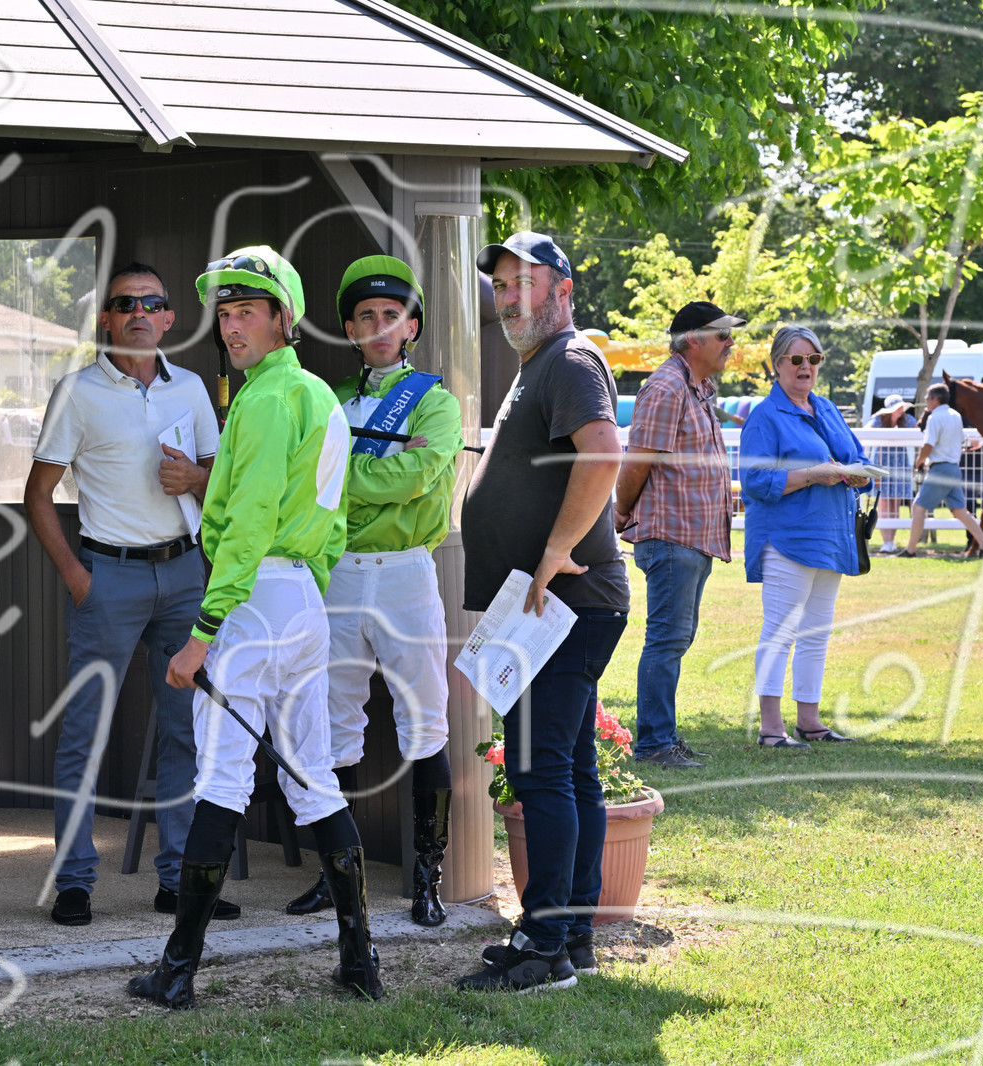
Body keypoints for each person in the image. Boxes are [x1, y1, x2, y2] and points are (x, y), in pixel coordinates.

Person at [129, 247, 380, 1010]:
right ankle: (359, 961)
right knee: (314, 778)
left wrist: (204, 632)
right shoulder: (318, 396)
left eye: (247, 312)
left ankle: (178, 972)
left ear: (282, 320)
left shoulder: (268, 399)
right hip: (302, 600)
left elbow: (248, 524)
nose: (232, 326)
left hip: (254, 597)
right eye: (226, 313)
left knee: (221, 780)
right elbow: (333, 519)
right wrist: (302, 592)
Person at [25, 262, 233, 927]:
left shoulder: (191, 387)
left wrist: (194, 478)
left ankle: (178, 880)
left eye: (151, 303)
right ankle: (74, 882)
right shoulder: (78, 391)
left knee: (184, 730)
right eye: (125, 304)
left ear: (169, 317)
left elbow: (221, 482)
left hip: (183, 574)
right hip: (107, 576)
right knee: (84, 734)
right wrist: (76, 575)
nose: (139, 313)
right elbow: (38, 494)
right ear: (106, 320)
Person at [456, 232, 629, 993]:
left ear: (562, 289)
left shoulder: (571, 359)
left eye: (523, 282)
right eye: (499, 286)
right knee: (571, 769)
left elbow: (602, 453)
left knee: (541, 769)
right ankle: (573, 935)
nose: (508, 298)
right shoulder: (539, 366)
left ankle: (543, 945)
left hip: (564, 603)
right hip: (549, 607)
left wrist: (556, 549)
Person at [280, 256, 463, 927]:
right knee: (332, 726)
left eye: (392, 315)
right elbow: (313, 484)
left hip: (408, 573)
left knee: (425, 722)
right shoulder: (328, 400)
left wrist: (342, 475)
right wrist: (382, 470)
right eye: (366, 317)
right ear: (350, 329)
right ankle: (338, 877)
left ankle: (428, 879)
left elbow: (414, 478)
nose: (379, 326)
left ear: (411, 326)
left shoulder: (437, 401)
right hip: (339, 574)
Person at [612, 301, 737, 770]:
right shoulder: (666, 386)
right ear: (693, 340)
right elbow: (637, 462)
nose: (731, 343)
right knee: (666, 640)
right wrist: (621, 511)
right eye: (722, 334)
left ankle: (663, 736)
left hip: (690, 539)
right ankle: (654, 744)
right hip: (671, 537)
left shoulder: (695, 387)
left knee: (674, 639)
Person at [738, 326, 870, 748]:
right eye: (796, 359)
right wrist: (812, 475)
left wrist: (858, 473)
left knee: (816, 633)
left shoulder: (826, 408)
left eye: (813, 359)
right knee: (779, 632)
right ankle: (770, 728)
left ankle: (810, 722)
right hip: (787, 539)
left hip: (831, 538)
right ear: (776, 364)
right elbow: (755, 481)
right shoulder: (765, 416)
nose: (805, 367)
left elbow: (856, 456)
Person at [903, 383, 983, 558]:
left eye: (927, 398)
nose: (926, 401)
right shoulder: (955, 416)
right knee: (960, 511)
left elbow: (928, 445)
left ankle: (910, 550)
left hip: (940, 468)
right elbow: (960, 439)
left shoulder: (934, 418)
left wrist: (919, 460)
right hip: (953, 468)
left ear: (935, 399)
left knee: (918, 507)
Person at [865, 395, 918, 553]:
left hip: (900, 464)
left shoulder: (907, 420)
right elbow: (867, 430)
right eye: (898, 407)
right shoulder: (879, 420)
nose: (901, 410)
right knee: (884, 503)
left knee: (895, 502)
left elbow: (918, 429)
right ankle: (886, 541)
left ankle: (891, 541)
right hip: (882, 462)